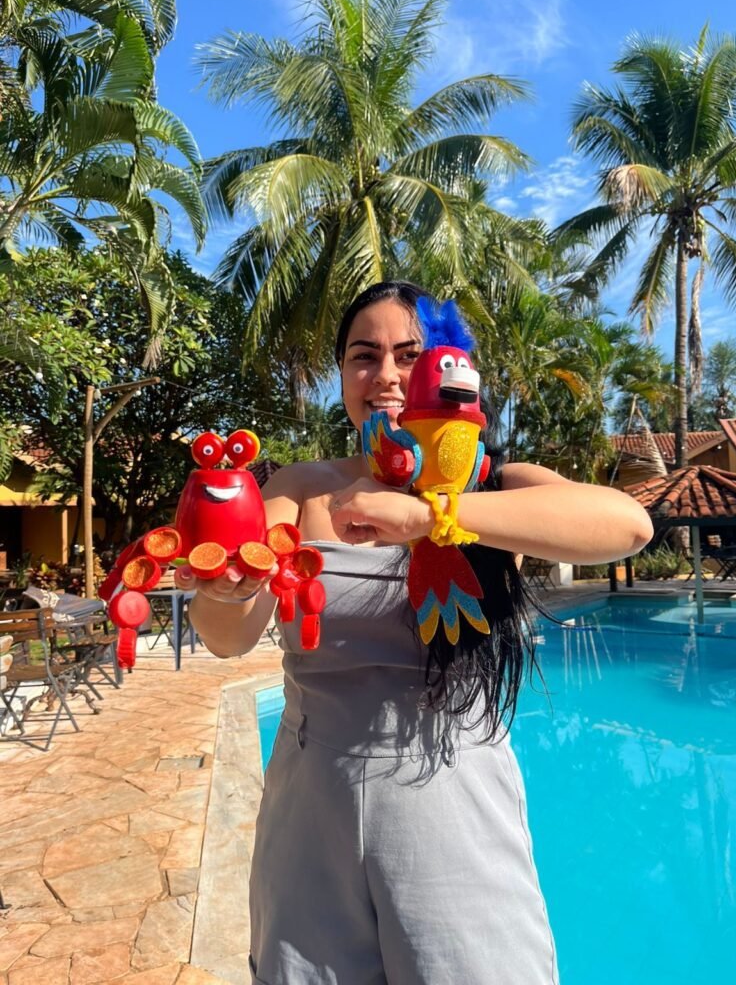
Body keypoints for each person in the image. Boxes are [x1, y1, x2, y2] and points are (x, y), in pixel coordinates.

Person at [179, 281, 653, 985]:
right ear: (342, 375)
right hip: (311, 800)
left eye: (409, 354)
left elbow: (627, 526)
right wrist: (229, 587)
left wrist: (435, 516)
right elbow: (229, 636)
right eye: (363, 356)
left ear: (447, 366)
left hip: (452, 790)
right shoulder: (301, 489)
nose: (386, 375)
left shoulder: (494, 484)